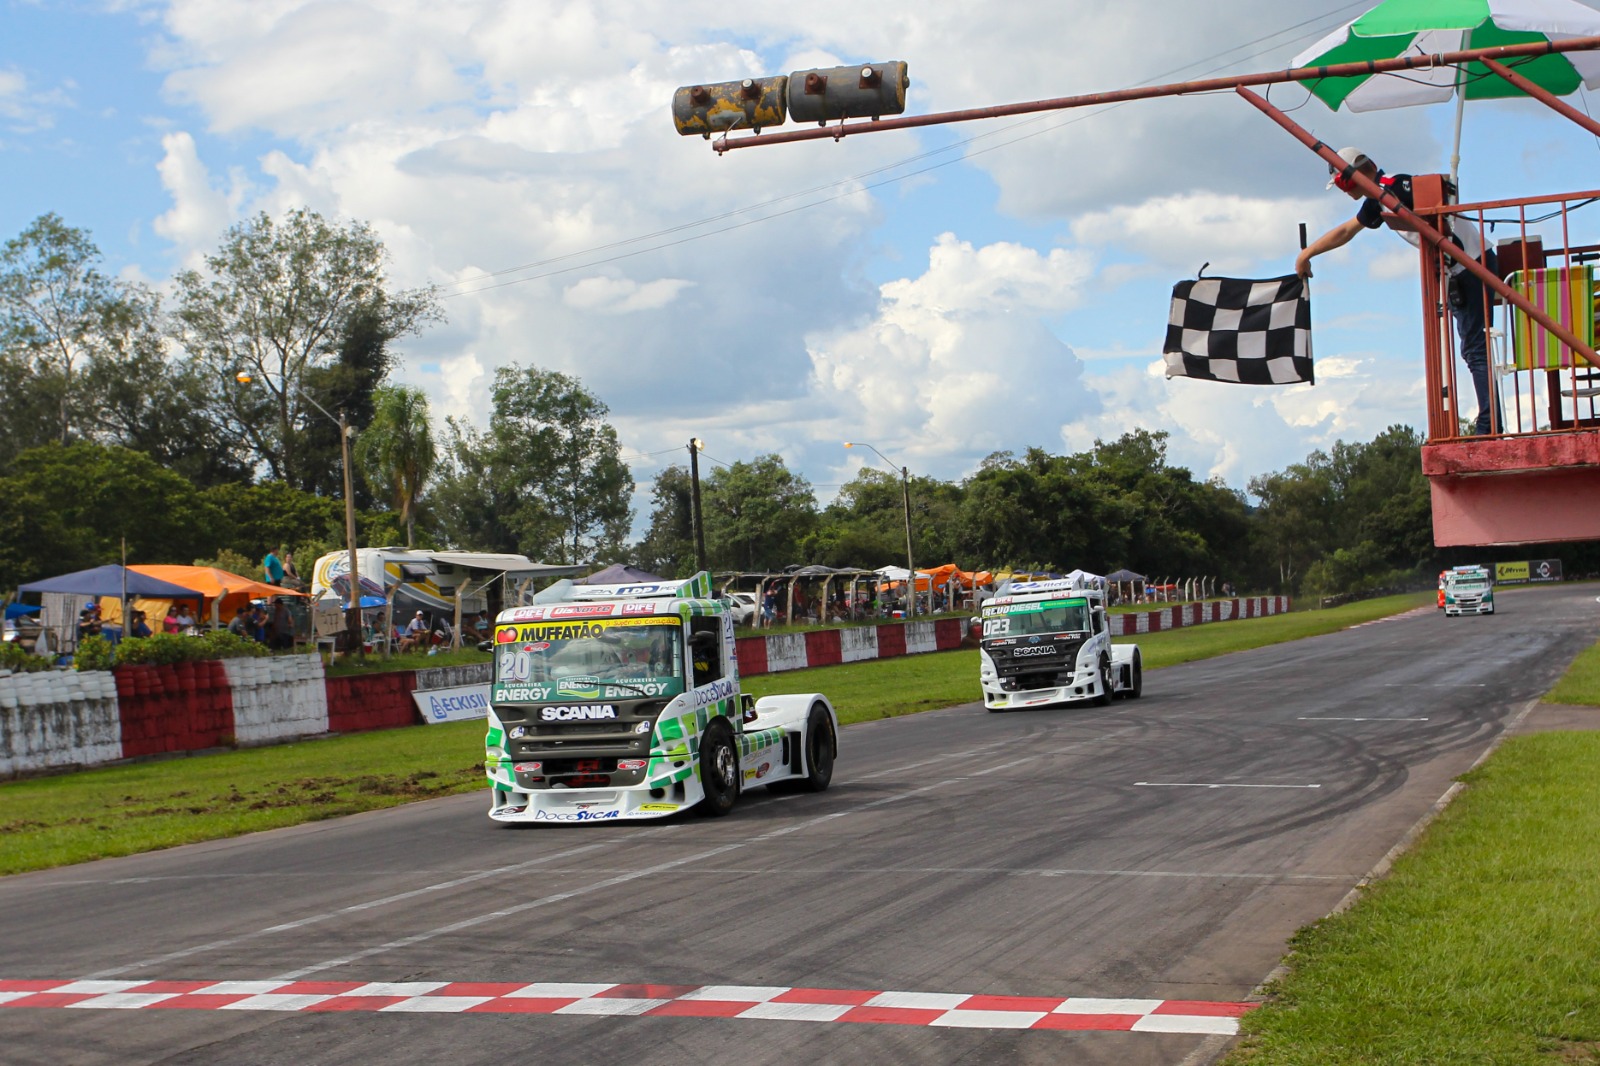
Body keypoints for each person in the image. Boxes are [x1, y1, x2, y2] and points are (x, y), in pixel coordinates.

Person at [1297, 147, 1502, 435]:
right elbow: (1346, 231)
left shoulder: (1394, 186)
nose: (1345, 191)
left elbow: (1439, 198)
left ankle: (1489, 426)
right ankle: (1489, 424)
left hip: (1470, 264)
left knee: (1474, 350)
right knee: (1473, 350)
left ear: (1354, 175)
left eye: (1343, 183)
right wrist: (1307, 254)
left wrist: (1306, 254)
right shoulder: (1379, 198)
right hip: (1463, 267)